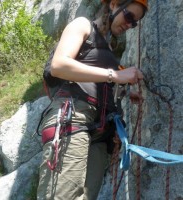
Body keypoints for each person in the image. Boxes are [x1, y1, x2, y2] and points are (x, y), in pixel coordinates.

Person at [37, 0, 148, 199]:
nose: (129, 25)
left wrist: (124, 91)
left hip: (99, 132)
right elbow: (59, 65)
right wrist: (115, 75)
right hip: (73, 117)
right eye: (129, 16)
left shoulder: (108, 50)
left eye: (135, 23)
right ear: (114, 4)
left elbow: (97, 81)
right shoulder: (82, 25)